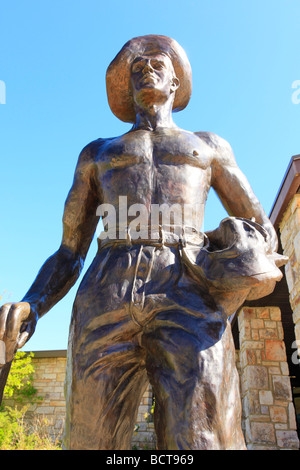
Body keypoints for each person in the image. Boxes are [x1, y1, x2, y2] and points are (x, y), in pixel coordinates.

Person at [0, 35, 286, 450]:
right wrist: (34, 303)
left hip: (188, 291)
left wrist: (232, 266)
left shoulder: (207, 146)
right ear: (127, 90)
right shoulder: (97, 153)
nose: (145, 69)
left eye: (157, 63)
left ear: (176, 84)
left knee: (204, 439)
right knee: (88, 440)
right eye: (136, 68)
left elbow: (261, 227)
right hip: (105, 292)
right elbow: (69, 251)